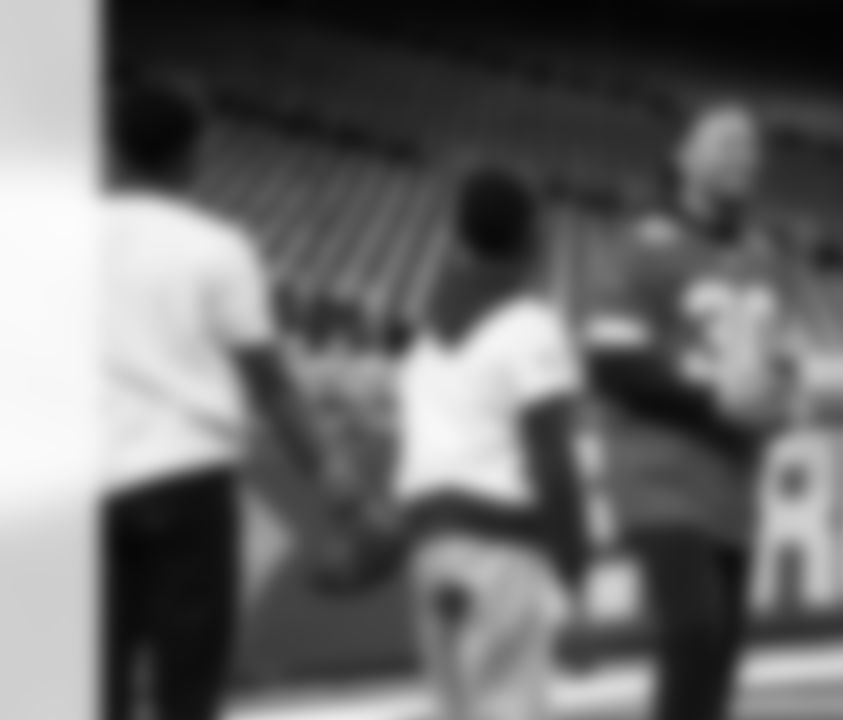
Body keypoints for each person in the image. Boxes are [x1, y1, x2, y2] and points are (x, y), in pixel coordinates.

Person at [102, 76, 350, 720]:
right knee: (189, 687)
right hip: (188, 481)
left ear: (110, 147)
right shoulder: (217, 246)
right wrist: (332, 476)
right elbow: (269, 381)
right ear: (194, 152)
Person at [581, 104, 796, 720]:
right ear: (683, 157)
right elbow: (610, 362)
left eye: (751, 146)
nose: (744, 157)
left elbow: (776, 357)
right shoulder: (641, 243)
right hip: (658, 477)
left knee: (718, 662)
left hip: (732, 485)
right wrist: (717, 402)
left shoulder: (763, 253)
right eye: (726, 143)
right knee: (694, 634)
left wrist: (783, 394)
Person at [390, 168, 589, 720]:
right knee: (510, 705)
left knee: (452, 708)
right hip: (499, 542)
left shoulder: (426, 335)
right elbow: (553, 460)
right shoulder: (531, 325)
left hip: (429, 542)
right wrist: (573, 568)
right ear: (532, 235)